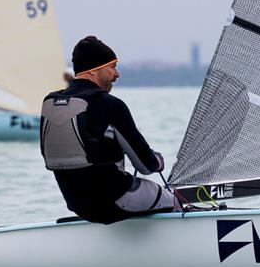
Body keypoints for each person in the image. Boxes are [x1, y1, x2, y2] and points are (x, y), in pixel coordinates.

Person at [40, 36, 178, 224]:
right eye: (112, 66)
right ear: (94, 71)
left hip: (78, 206)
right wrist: (158, 161)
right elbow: (146, 167)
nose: (117, 74)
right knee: (175, 201)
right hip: (116, 202)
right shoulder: (109, 104)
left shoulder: (50, 104)